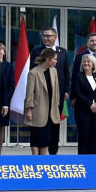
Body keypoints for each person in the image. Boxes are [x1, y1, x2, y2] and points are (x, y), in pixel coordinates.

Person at [29, 27, 69, 155]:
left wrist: (66, 90)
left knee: (54, 124)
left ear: (55, 37)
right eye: (44, 35)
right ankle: (40, 155)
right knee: (41, 125)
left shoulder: (63, 52)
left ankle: (53, 152)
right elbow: (32, 74)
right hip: (40, 98)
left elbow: (66, 72)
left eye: (48, 36)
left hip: (57, 95)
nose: (45, 38)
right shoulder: (36, 51)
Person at [25, 47, 61, 155]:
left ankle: (43, 160)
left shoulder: (54, 71)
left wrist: (57, 104)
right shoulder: (33, 72)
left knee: (46, 137)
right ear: (48, 59)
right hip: (38, 109)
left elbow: (57, 89)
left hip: (51, 110)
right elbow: (29, 93)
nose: (56, 61)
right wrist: (29, 110)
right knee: (37, 136)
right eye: (54, 59)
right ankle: (35, 159)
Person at [71, 53, 96, 154]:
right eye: (84, 61)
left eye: (88, 61)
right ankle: (83, 160)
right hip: (83, 110)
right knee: (84, 136)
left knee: (95, 136)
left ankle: (94, 159)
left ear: (93, 64)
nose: (86, 63)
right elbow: (77, 93)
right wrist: (90, 104)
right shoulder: (78, 76)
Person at [0, 42, 14, 155]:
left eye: (0, 49)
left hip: (4, 101)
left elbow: (11, 84)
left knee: (1, 127)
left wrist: (5, 99)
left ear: (4, 52)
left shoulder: (9, 66)